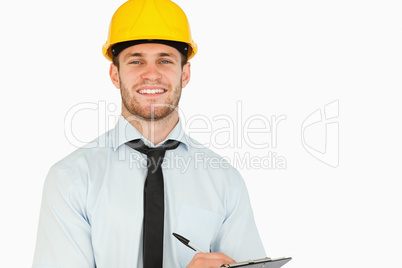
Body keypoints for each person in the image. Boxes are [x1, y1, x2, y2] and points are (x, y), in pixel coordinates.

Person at [32, 0, 265, 267]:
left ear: (185, 74)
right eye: (136, 61)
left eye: (165, 60)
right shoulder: (71, 179)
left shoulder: (225, 181)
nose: (151, 74)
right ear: (115, 74)